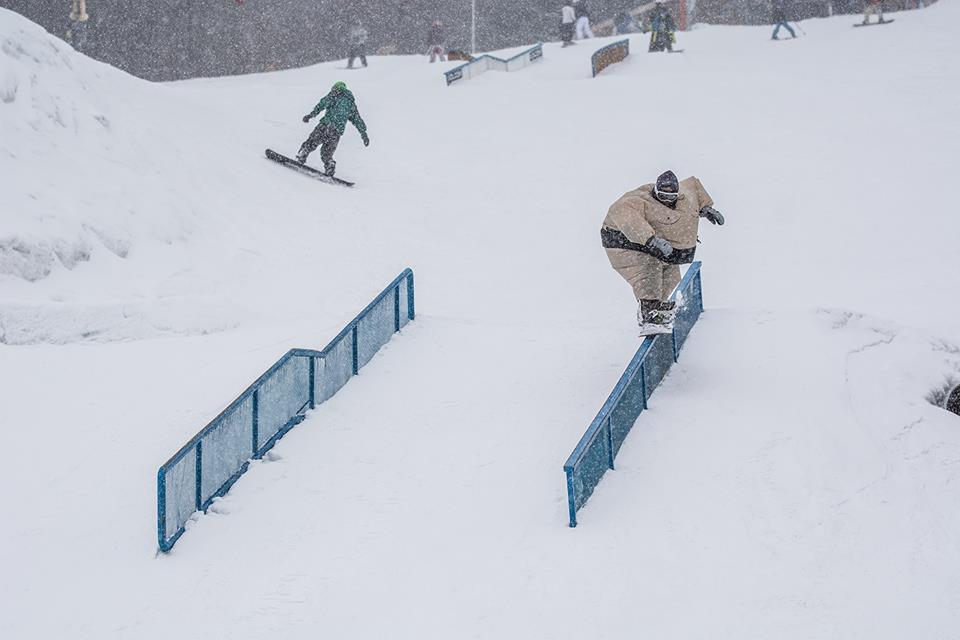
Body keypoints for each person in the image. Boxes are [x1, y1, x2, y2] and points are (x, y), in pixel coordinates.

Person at [601, 171, 725, 334]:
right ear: (655, 191)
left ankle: (658, 305)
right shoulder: (637, 201)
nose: (666, 200)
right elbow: (625, 215)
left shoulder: (684, 195)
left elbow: (693, 186)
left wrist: (706, 208)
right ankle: (648, 314)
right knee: (648, 269)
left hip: (653, 241)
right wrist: (651, 240)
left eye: (670, 196)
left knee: (670, 272)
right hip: (622, 239)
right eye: (661, 196)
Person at [296, 81, 369, 177]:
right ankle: (329, 164)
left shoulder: (334, 94)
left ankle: (303, 154)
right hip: (336, 132)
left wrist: (311, 115)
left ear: (335, 88)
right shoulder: (351, 104)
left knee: (312, 142)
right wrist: (364, 134)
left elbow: (322, 104)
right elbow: (357, 120)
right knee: (327, 153)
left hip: (325, 126)